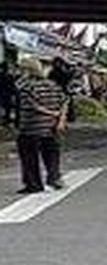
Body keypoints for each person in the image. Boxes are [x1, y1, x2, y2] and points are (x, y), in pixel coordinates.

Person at [14, 58, 67, 193]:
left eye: (21, 69)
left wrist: (51, 112)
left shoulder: (25, 86)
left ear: (27, 70)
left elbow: (31, 105)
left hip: (31, 128)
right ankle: (54, 178)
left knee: (29, 158)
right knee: (52, 155)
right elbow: (64, 101)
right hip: (51, 127)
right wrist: (60, 119)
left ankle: (34, 184)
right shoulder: (53, 85)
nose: (19, 72)